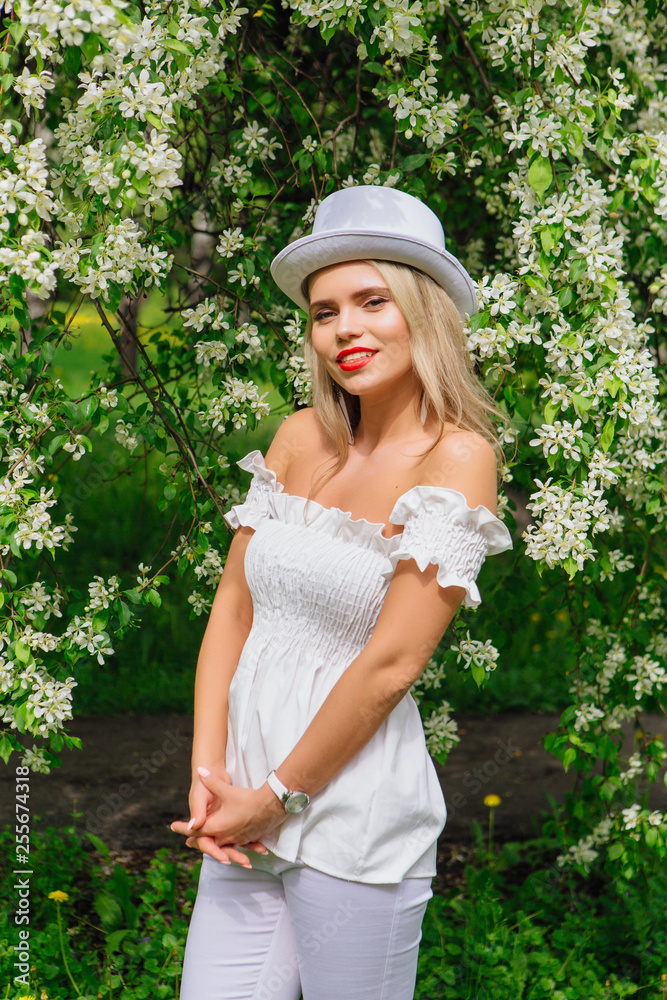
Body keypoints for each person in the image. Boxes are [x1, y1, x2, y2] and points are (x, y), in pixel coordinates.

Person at [171, 185, 513, 1000]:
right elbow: (232, 610)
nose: (345, 330)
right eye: (325, 312)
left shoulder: (456, 460)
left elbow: (392, 663)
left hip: (350, 821)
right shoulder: (298, 438)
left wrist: (279, 796)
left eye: (372, 302)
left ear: (422, 314)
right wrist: (209, 770)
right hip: (242, 806)